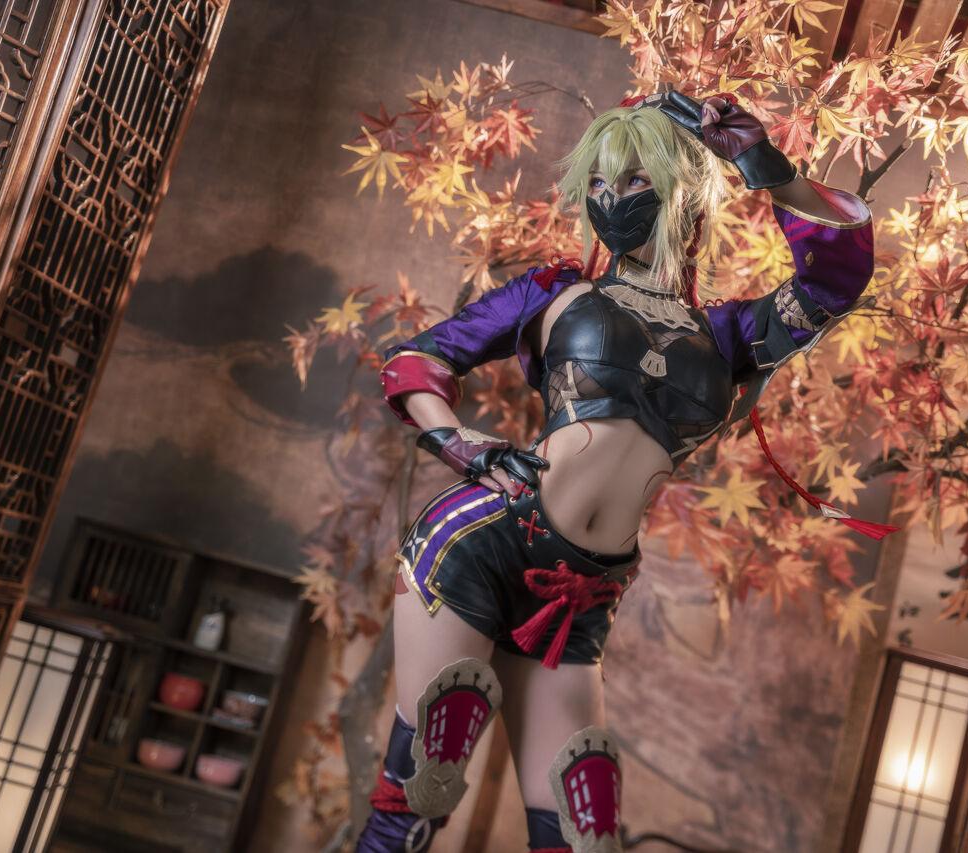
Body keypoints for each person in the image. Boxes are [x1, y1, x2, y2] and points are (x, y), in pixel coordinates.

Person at [356, 91, 877, 853]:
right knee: (419, 792)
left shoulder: (730, 336)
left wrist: (764, 164)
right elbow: (416, 359)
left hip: (585, 593)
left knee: (580, 833)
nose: (611, 197)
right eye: (598, 182)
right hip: (482, 546)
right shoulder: (555, 292)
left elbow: (835, 283)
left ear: (681, 190)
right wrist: (461, 445)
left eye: (634, 179)